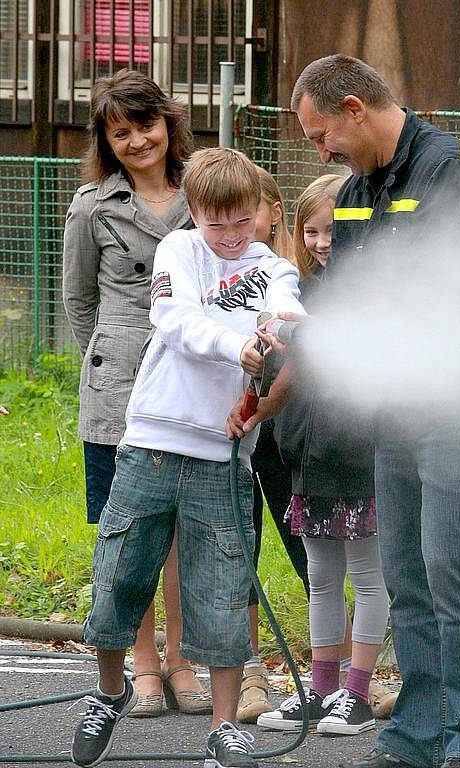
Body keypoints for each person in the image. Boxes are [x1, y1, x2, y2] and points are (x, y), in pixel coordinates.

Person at [229, 55, 460, 768]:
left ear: (354, 108)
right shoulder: (356, 192)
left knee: (453, 571)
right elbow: (343, 302)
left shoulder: (454, 169)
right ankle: (417, 736)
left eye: (321, 135)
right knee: (409, 577)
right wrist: (286, 337)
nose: (319, 152)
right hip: (395, 413)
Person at [69, 147, 303, 768]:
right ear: (193, 212)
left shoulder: (276, 268)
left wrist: (286, 334)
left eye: (242, 221)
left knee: (225, 589)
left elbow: (287, 311)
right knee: (121, 570)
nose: (229, 235)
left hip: (223, 458)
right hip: (151, 442)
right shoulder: (178, 252)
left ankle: (226, 728)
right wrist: (239, 348)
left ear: (259, 212)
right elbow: (175, 321)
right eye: (215, 221)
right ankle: (110, 690)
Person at [62, 69, 210, 718]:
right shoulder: (92, 206)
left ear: (167, 123)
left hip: (192, 384)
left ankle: (183, 663)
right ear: (107, 141)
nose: (137, 141)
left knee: (181, 533)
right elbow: (78, 300)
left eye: (145, 125)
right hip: (118, 388)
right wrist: (107, 356)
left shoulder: (202, 192)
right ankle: (141, 668)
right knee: (130, 535)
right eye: (120, 132)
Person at [256, 174, 391, 737]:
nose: (320, 241)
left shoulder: (375, 296)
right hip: (305, 463)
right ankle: (323, 687)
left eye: (332, 229)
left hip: (358, 461)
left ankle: (357, 693)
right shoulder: (296, 294)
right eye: (310, 231)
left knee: (367, 576)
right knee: (320, 575)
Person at [237, 165, 310, 724]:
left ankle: (342, 673)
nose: (238, 224)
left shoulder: (297, 275)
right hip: (235, 430)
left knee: (310, 548)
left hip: (288, 436)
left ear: (275, 212)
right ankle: (248, 673)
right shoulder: (210, 271)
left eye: (249, 210)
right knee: (238, 550)